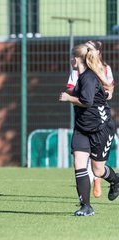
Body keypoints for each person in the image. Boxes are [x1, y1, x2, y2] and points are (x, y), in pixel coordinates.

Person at [59, 43, 119, 216]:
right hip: (82, 128)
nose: (70, 60)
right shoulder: (80, 76)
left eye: (72, 57)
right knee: (79, 163)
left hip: (101, 128)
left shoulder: (89, 77)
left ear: (77, 59)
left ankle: (116, 181)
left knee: (98, 171)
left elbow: (87, 101)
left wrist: (68, 98)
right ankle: (86, 206)